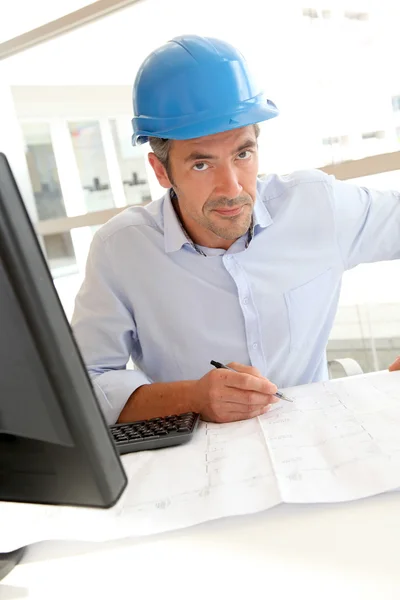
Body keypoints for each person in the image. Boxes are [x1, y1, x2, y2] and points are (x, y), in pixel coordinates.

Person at [71, 35, 400, 426]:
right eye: (201, 164)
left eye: (243, 154)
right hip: (200, 467)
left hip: (319, 443)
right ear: (161, 171)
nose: (232, 188)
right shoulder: (120, 250)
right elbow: (84, 385)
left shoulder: (317, 205)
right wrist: (193, 397)